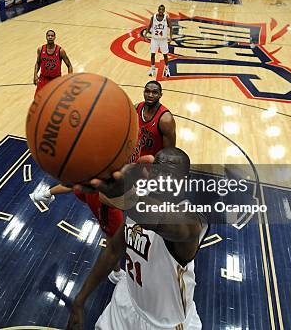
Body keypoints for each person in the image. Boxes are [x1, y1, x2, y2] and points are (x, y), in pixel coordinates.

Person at [66, 146, 208, 330]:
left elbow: (162, 221)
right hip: (127, 301)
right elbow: (113, 250)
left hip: (165, 323)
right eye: (157, 170)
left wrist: (122, 193)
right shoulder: (142, 204)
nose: (160, 178)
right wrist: (80, 300)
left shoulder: (191, 220)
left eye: (170, 174)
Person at [30, 184, 125, 284]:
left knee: (79, 182)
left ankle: (44, 194)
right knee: (114, 240)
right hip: (104, 200)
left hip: (88, 187)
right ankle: (116, 273)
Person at [131, 81, 176, 163]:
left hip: (151, 164)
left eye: (154, 92)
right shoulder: (137, 108)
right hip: (135, 157)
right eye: (147, 91)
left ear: (160, 95)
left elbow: (169, 152)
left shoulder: (165, 120)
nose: (150, 95)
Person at [33, 29, 73, 94]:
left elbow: (69, 66)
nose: (50, 37)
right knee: (38, 99)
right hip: (43, 79)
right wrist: (35, 75)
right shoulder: (41, 49)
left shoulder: (60, 51)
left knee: (54, 100)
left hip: (56, 79)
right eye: (48, 35)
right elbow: (38, 63)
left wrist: (69, 79)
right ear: (46, 37)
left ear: (55, 37)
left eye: (52, 36)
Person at [146, 5, 172, 77]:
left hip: (163, 40)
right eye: (160, 9)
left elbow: (171, 27)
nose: (161, 11)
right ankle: (152, 69)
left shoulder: (166, 18)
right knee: (152, 54)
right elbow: (150, 25)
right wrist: (146, 33)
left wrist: (170, 37)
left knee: (165, 55)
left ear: (164, 11)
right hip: (154, 39)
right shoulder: (153, 17)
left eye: (162, 10)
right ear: (158, 10)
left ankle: (167, 68)